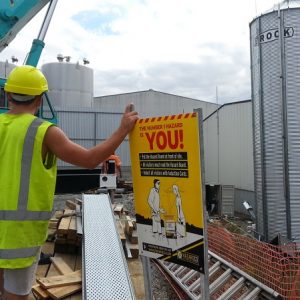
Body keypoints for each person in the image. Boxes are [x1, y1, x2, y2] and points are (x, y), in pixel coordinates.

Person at [0, 65, 139, 300]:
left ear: (8, 94)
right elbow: (89, 159)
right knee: (15, 295)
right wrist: (122, 130)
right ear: (40, 98)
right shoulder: (44, 132)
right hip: (19, 236)